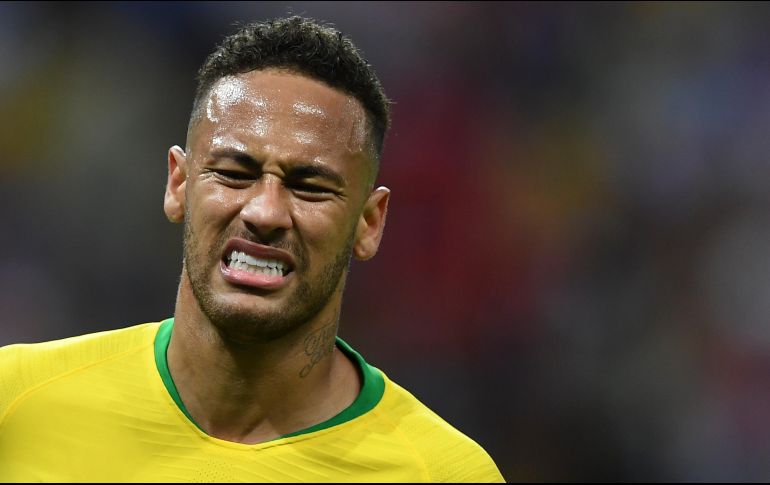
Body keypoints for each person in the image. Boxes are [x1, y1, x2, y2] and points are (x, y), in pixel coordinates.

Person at [0, 16, 504, 482]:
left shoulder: (443, 472)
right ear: (178, 183)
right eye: (234, 173)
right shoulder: (17, 403)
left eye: (309, 186)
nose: (264, 212)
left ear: (369, 223)